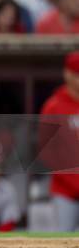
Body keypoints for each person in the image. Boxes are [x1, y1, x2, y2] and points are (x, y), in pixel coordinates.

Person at [40, 51, 79, 231]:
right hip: (65, 192)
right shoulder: (54, 106)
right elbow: (47, 152)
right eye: (76, 74)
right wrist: (72, 181)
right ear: (67, 74)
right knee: (64, 247)